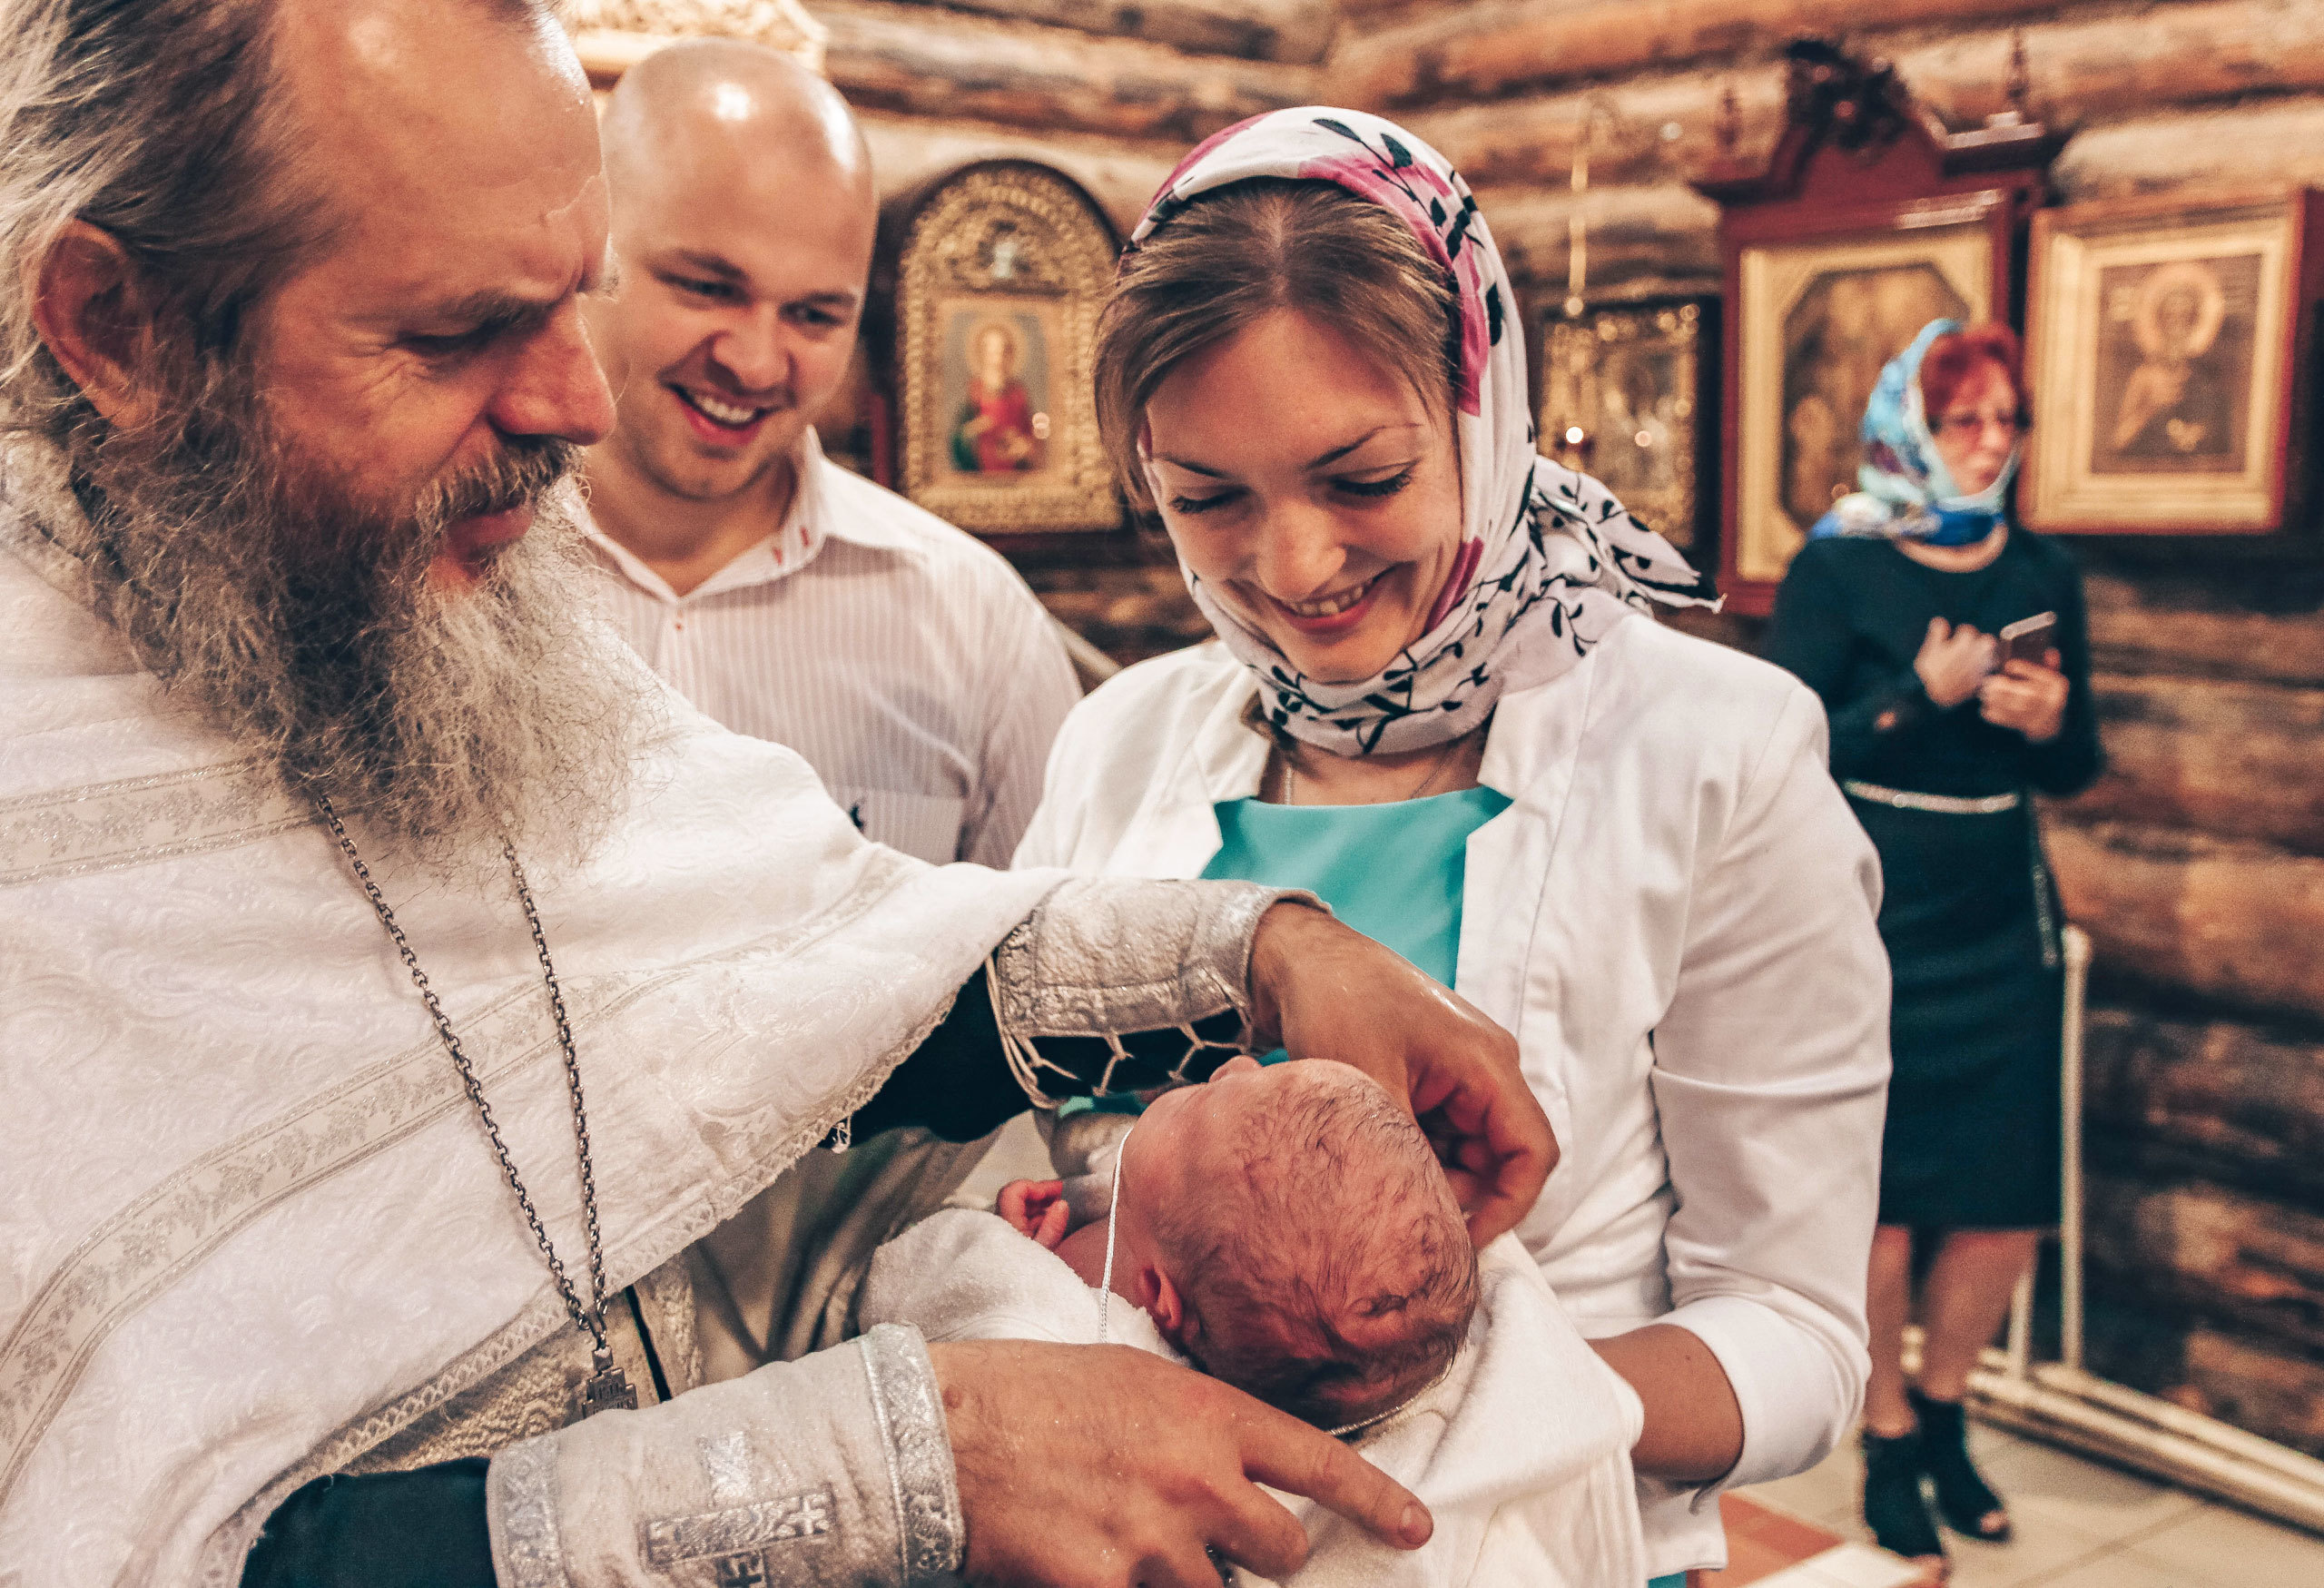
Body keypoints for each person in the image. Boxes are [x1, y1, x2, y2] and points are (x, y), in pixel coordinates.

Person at [0, 8, 1558, 1583]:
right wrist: (892, 1459)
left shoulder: (422, 607)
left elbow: (823, 980)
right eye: (456, 331)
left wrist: (1263, 956)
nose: (576, 405)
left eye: (576, 301)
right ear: (119, 326)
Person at [1015, 107, 1894, 1587]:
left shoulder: (1715, 753)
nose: (1293, 567)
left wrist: (1446, 1434)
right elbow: (1030, 1164)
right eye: (1208, 496)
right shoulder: (1124, 740)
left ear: (1484, 413)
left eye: (1361, 477)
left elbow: (1798, 1340)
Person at [578, 39, 1086, 1381]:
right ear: (594, 244)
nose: (756, 356)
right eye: (706, 285)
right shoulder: (442, 584)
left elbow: (1065, 986)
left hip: (873, 1350)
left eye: (816, 312)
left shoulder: (967, 617)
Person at [1766, 319, 2104, 1575]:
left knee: (2000, 1198)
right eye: (1966, 421)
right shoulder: (1840, 568)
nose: (1990, 445)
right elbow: (1793, 739)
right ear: (1909, 424)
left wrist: (2052, 717)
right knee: (1890, 1200)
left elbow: (2079, 766)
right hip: (1876, 903)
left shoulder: (2043, 571)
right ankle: (1889, 1434)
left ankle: (1951, 1411)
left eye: (2007, 421)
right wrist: (1920, 698)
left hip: (1996, 900)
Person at [861, 1060, 1648, 1587]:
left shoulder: (1049, 1318)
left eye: (1202, 1103)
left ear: (1162, 1306)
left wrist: (996, 1242)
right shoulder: (1171, 1238)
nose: (1234, 1063)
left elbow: (909, 1291)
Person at [951, 320, 1045, 473]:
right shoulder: (972, 393)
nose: (998, 360)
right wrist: (974, 429)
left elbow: (1030, 436)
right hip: (979, 475)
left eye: (1003, 352)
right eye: (993, 353)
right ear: (982, 356)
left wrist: (1024, 446)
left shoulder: (1018, 395)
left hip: (1013, 475)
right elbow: (957, 439)